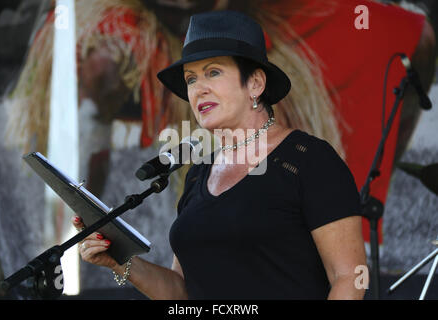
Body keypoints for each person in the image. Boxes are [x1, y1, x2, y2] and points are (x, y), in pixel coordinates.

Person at [73, 10, 367, 300]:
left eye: (213, 72)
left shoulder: (309, 160)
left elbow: (349, 278)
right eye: (190, 79)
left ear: (255, 84)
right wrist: (120, 259)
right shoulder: (199, 172)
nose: (199, 89)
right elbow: (181, 290)